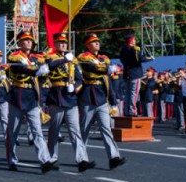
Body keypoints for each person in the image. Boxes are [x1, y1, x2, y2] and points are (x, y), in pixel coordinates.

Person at [46, 33, 95, 172]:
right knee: (54, 130)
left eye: (65, 43)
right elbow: (50, 66)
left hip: (70, 97)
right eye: (60, 43)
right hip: (56, 96)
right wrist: (63, 60)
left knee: (75, 131)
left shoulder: (73, 59)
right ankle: (52, 157)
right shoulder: (51, 56)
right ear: (55, 44)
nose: (63, 45)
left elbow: (80, 78)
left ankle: (82, 160)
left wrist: (75, 87)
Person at [6, 31, 54, 174]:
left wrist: (55, 60)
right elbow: (21, 67)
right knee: (13, 132)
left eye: (30, 40)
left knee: (37, 131)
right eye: (25, 40)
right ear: (19, 43)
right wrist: (36, 71)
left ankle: (44, 160)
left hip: (32, 97)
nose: (28, 42)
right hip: (18, 97)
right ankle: (12, 160)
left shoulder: (35, 57)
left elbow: (49, 62)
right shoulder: (14, 56)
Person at [77, 33, 126, 170]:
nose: (97, 43)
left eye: (98, 41)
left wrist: (113, 99)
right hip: (88, 95)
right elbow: (91, 68)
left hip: (101, 96)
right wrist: (105, 69)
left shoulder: (105, 58)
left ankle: (113, 157)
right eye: (93, 42)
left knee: (106, 129)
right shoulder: (83, 57)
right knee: (84, 130)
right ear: (87, 45)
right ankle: (82, 159)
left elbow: (107, 79)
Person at [119, 33, 154, 116]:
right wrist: (150, 58)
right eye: (134, 40)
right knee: (134, 93)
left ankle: (127, 111)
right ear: (131, 41)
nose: (135, 41)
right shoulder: (134, 49)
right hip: (135, 74)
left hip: (126, 74)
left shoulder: (123, 50)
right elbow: (140, 59)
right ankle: (132, 111)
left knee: (127, 93)